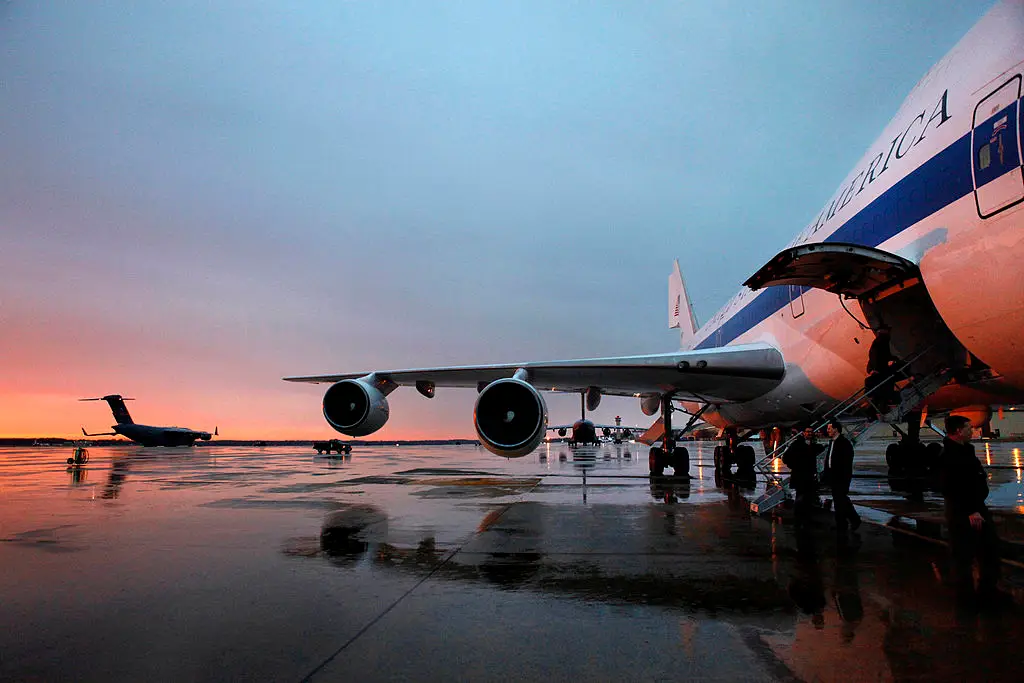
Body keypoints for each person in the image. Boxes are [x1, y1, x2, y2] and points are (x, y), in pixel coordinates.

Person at [939, 415, 1005, 610]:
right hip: (965, 513)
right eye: (969, 427)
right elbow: (950, 487)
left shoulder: (964, 451)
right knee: (965, 557)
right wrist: (970, 511)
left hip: (976, 509)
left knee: (987, 552)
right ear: (959, 431)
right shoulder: (949, 456)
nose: (973, 430)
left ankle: (987, 593)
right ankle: (968, 601)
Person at [826, 420, 861, 534]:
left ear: (836, 429)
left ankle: (849, 521)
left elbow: (846, 462)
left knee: (841, 500)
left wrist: (843, 476)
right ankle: (845, 522)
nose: (828, 431)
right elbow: (829, 459)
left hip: (841, 477)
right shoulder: (832, 442)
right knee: (839, 500)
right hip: (833, 476)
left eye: (830, 428)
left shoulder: (844, 443)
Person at [783, 425, 823, 524]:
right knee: (800, 497)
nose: (809, 433)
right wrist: (794, 466)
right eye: (807, 431)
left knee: (808, 497)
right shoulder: (797, 444)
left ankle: (805, 517)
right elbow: (786, 457)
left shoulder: (813, 445)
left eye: (811, 432)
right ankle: (799, 517)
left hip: (809, 476)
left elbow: (819, 450)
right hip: (799, 475)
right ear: (803, 433)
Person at [865, 327, 899, 414]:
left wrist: (871, 369)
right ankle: (883, 404)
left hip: (879, 370)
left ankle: (880, 406)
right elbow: (878, 356)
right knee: (887, 383)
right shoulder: (881, 343)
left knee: (882, 387)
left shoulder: (878, 343)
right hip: (880, 370)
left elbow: (874, 356)